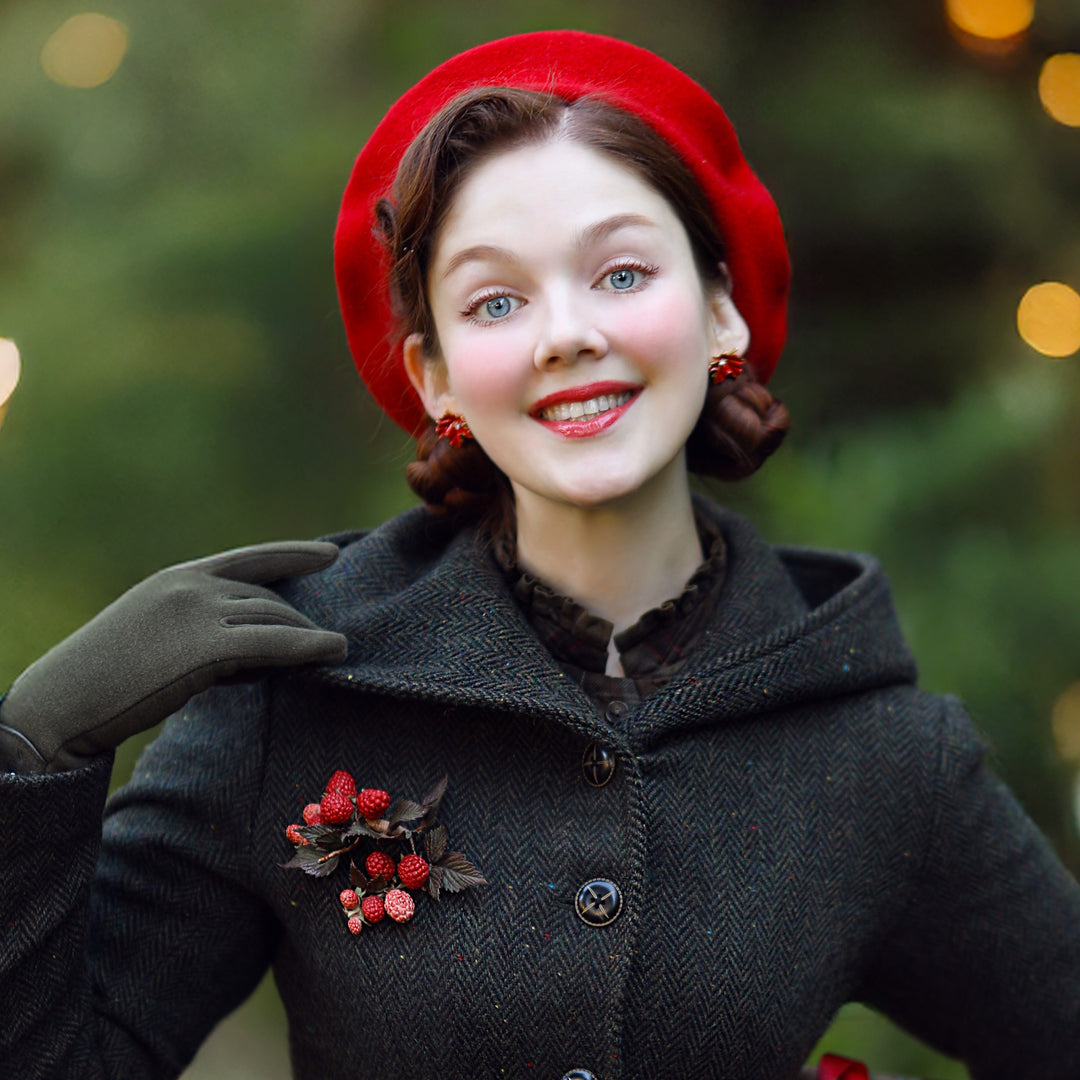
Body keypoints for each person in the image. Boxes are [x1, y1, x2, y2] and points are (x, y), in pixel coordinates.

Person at [1, 29, 1078, 1080]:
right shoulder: (293, 693)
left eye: (618, 274)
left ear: (718, 310)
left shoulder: (882, 753)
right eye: (498, 300)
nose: (565, 332)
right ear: (432, 373)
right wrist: (32, 753)